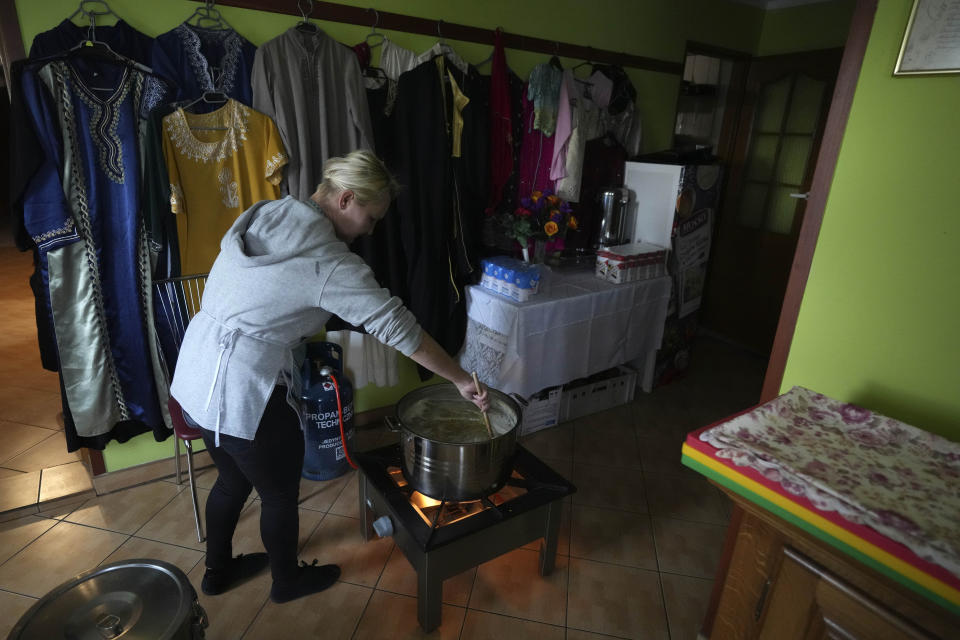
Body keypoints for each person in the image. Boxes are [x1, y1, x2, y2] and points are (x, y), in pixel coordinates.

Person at [169, 150, 489, 604]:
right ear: (345, 199)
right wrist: (458, 378)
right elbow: (401, 330)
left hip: (196, 373)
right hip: (244, 388)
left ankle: (217, 572)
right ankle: (286, 581)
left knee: (231, 481)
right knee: (279, 494)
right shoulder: (328, 263)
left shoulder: (269, 211)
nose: (370, 230)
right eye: (371, 217)